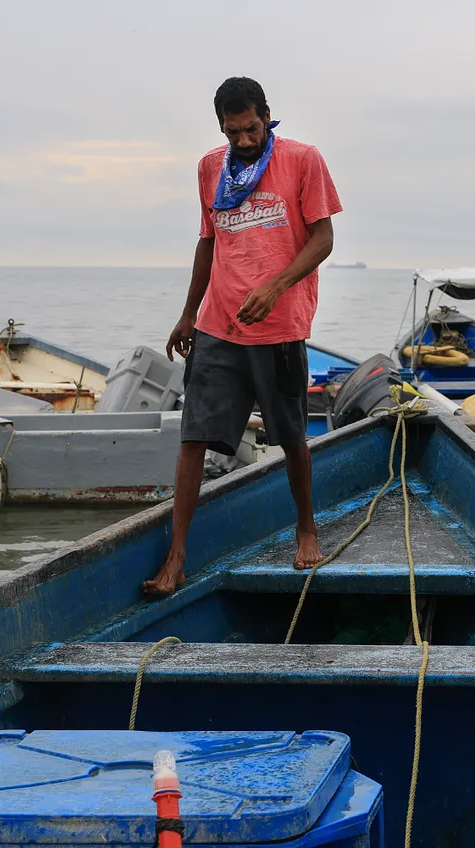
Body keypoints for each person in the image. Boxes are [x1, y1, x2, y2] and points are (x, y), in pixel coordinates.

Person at [143, 77, 341, 597]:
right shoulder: (211, 166)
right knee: (193, 438)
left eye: (252, 128)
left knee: (292, 437)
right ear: (221, 128)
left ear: (267, 116)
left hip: (280, 325)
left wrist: (276, 286)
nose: (245, 141)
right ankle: (177, 554)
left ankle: (306, 528)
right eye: (234, 133)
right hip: (218, 324)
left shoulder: (303, 159)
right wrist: (189, 313)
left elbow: (323, 239)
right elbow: (209, 241)